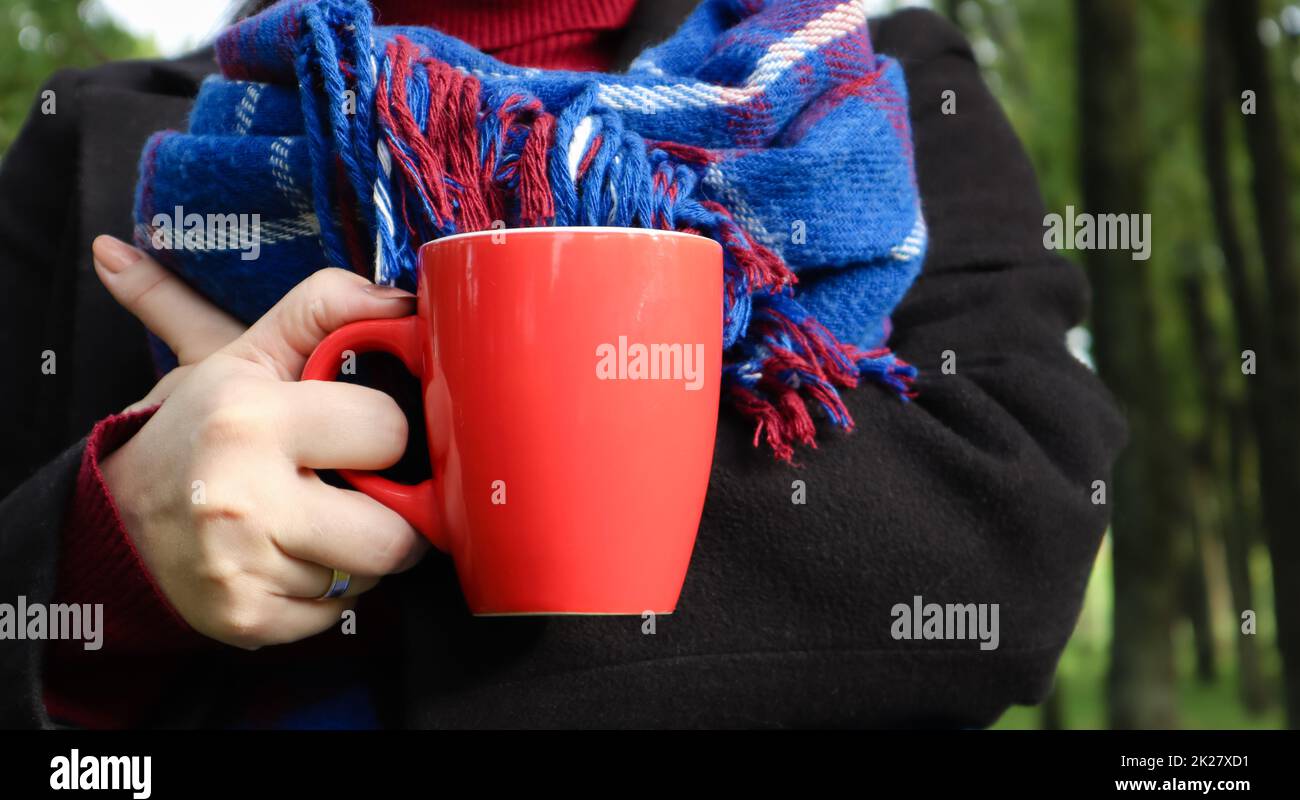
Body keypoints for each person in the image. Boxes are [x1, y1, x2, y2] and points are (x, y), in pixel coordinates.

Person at [0, 0, 1124, 728]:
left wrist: (425, 507)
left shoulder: (863, 87)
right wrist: (112, 547)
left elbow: (1003, 541)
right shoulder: (104, 140)